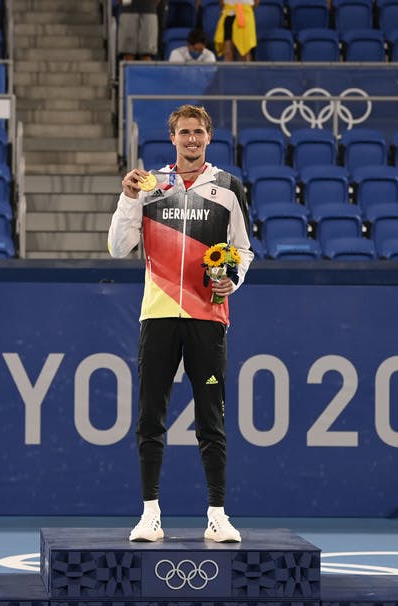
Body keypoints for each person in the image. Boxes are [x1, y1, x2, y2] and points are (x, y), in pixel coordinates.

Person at [109, 104, 254, 544]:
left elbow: (243, 250)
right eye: (184, 132)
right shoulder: (151, 187)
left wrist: (233, 278)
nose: (191, 139)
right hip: (157, 314)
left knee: (212, 420)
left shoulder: (228, 188)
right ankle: (150, 514)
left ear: (209, 137)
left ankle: (217, 514)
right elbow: (118, 247)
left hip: (207, 315)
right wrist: (129, 199)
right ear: (172, 138)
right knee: (150, 416)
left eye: (199, 132)